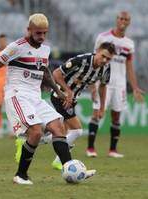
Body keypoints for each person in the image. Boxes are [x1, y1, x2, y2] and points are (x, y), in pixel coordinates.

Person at [0, 13, 95, 185]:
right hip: (17, 94)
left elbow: (45, 71)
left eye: (44, 33)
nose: (41, 36)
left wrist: (58, 91)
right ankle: (20, 175)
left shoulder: (45, 49)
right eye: (38, 33)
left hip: (35, 96)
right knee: (36, 131)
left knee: (58, 127)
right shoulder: (16, 47)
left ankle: (70, 170)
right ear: (29, 30)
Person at [86, 11, 144, 158]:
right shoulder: (103, 37)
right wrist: (92, 84)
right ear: (116, 20)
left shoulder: (129, 44)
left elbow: (129, 66)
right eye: (121, 18)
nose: (123, 21)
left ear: (129, 22)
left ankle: (113, 150)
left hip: (120, 84)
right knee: (97, 113)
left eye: (126, 19)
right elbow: (94, 59)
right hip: (103, 81)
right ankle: (90, 148)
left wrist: (135, 87)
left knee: (116, 116)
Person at [49, 42, 116, 170]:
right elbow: (56, 73)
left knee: (61, 132)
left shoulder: (106, 68)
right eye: (103, 56)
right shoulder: (81, 60)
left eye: (108, 59)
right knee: (77, 130)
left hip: (72, 99)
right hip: (60, 97)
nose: (105, 60)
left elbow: (102, 86)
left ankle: (37, 138)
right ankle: (61, 161)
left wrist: (102, 107)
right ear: (97, 51)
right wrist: (68, 91)